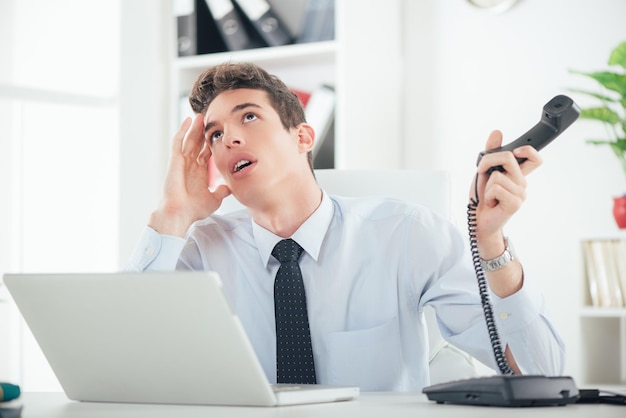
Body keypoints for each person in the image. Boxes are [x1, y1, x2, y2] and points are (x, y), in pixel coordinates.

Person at [127, 62, 565, 391]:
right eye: (215, 134)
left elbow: (540, 373)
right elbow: (125, 368)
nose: (230, 140)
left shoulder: (407, 233)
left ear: (302, 137)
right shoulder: (201, 249)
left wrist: (491, 246)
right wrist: (171, 216)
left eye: (248, 117)